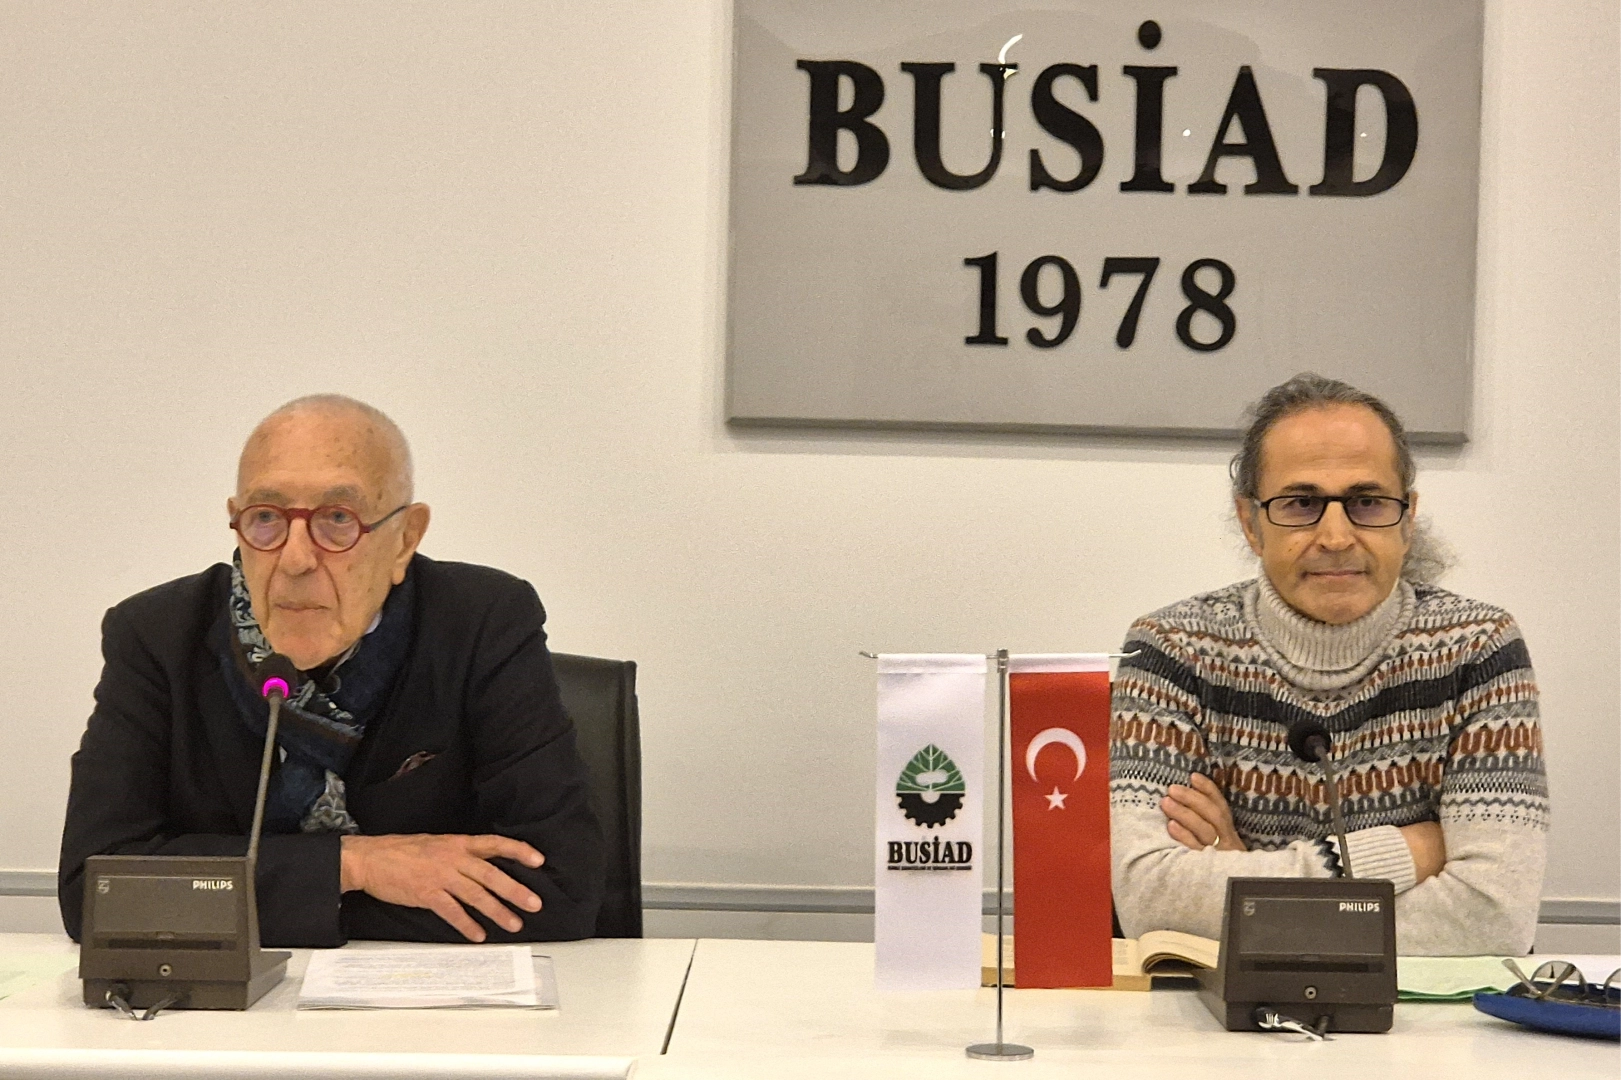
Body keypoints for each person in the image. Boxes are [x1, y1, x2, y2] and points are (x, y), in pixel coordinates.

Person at [59, 395, 603, 947]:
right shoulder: (157, 636)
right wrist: (354, 867)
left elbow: (559, 889)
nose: (295, 559)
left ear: (405, 539)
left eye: (338, 519)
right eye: (266, 518)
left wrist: (243, 901)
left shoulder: (483, 622)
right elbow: (97, 891)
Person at [1110, 373, 1547, 956]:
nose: (1336, 536)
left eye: (1367, 502)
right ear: (1251, 523)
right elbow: (1149, 902)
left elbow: (1493, 918)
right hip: (1212, 1012)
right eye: (1301, 504)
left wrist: (1248, 886)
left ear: (1407, 519)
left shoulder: (1479, 648)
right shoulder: (1171, 649)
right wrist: (1405, 852)